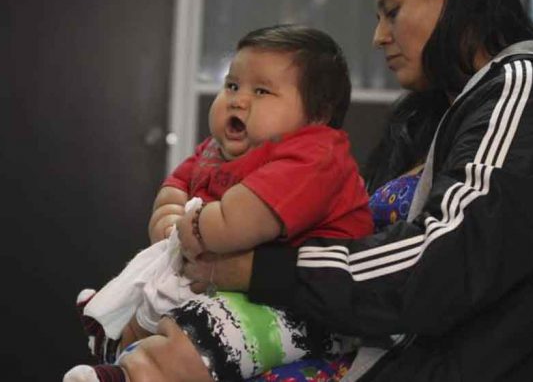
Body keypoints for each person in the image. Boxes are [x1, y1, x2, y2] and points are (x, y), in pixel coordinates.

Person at [78, 0, 533, 381]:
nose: (378, 36)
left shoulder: (524, 85)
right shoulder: (438, 116)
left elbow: (441, 262)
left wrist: (255, 269)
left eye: (392, 11)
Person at [64, 24, 373, 381]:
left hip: (304, 309)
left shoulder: (315, 156)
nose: (238, 99)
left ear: (317, 116)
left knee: (200, 334)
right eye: (232, 85)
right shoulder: (217, 151)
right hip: (230, 281)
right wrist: (169, 213)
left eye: (261, 91)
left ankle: (134, 375)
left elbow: (243, 220)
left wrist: (195, 227)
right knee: (151, 288)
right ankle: (114, 340)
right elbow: (179, 182)